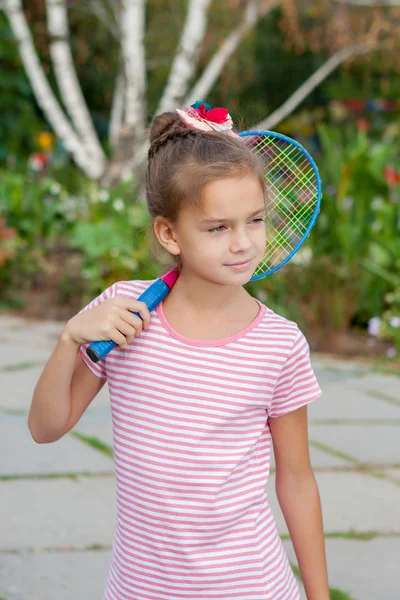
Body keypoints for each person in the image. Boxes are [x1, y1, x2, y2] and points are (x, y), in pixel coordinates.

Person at [29, 103, 330, 600]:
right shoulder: (123, 316)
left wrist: (319, 596)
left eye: (254, 221)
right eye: (217, 228)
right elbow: (45, 428)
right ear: (169, 234)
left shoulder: (279, 344)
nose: (243, 244)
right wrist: (69, 340)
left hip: (251, 587)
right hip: (142, 589)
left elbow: (297, 479)